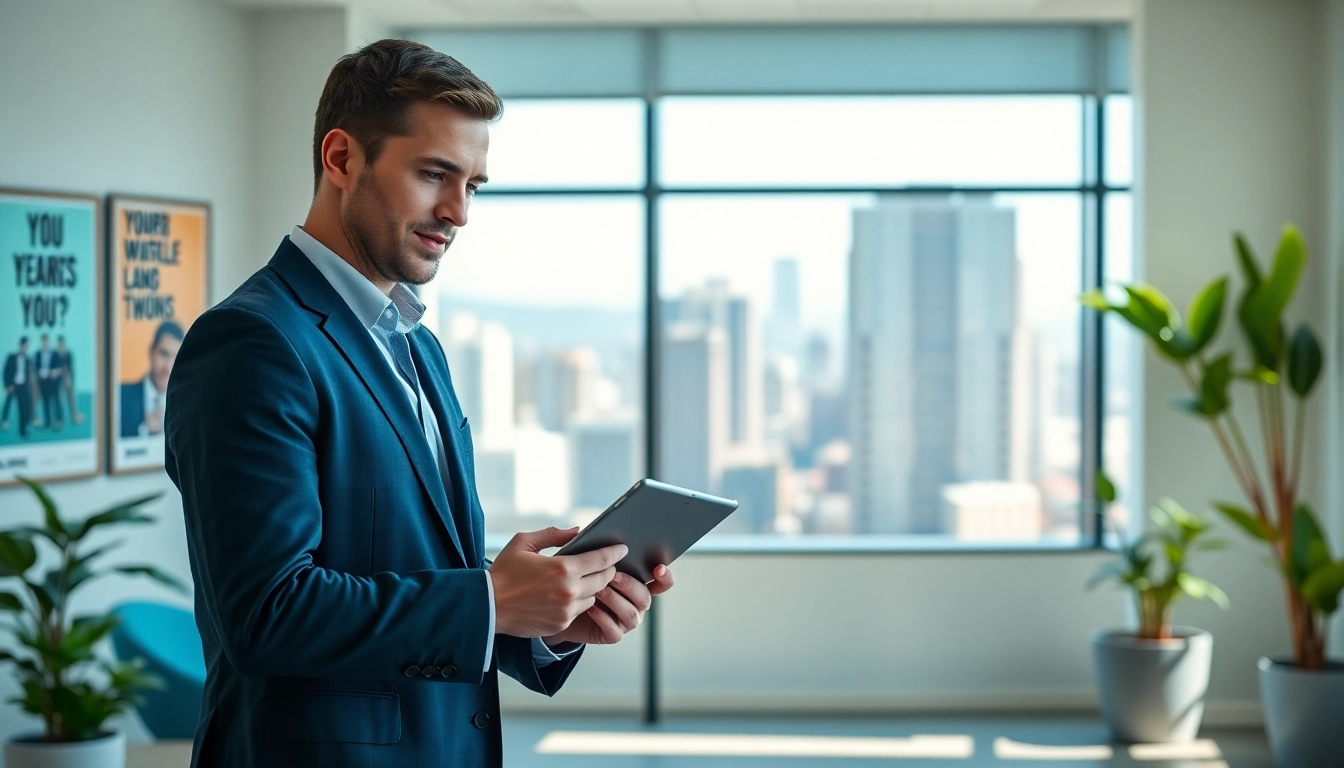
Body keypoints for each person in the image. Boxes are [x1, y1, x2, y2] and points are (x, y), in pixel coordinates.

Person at [164, 39, 674, 768]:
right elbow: (267, 613)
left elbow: (419, 574)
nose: (459, 211)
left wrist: (548, 619)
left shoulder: (415, 345)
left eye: (475, 184)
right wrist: (493, 599)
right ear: (341, 159)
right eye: (435, 174)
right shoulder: (252, 342)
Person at [119, 321, 182, 438]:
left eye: (176, 358)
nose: (168, 367)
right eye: (164, 354)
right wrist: (143, 430)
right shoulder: (121, 396)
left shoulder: (187, 403)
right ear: (151, 352)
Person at [2, 337, 36, 438]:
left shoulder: (28, 359)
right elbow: (5, 372)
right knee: (8, 403)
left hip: (23, 386)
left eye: (27, 346)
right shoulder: (11, 357)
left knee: (22, 408)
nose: (26, 348)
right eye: (25, 346)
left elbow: (31, 374)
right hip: (13, 385)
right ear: (21, 345)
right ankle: (5, 420)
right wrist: (8, 385)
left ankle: (23, 430)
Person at [34, 334, 62, 431]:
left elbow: (59, 368)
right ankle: (48, 422)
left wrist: (54, 372)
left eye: (46, 342)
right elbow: (35, 368)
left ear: (48, 342)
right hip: (43, 382)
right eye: (43, 342)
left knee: (55, 401)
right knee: (45, 402)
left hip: (53, 382)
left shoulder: (55, 353)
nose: (44, 344)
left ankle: (58, 420)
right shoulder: (38, 354)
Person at [56, 336, 85, 425]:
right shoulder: (55, 355)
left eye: (62, 344)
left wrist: (68, 378)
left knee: (71, 398)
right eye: (60, 344)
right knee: (60, 400)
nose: (61, 346)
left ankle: (74, 415)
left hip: (68, 379)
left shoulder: (68, 354)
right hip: (59, 380)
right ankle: (60, 419)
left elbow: (70, 368)